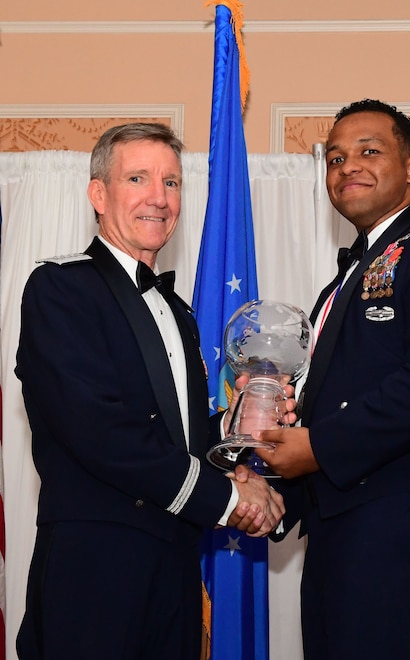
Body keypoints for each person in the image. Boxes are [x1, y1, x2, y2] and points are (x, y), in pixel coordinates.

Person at [15, 122, 285, 660]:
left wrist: (241, 430)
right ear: (99, 194)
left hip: (175, 568)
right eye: (138, 178)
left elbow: (174, 434)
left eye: (172, 182)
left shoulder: (178, 312)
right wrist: (232, 498)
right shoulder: (61, 288)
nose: (159, 199)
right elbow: (101, 431)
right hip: (95, 571)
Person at [255, 99, 410, 659]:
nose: (348, 166)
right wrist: (273, 496)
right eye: (335, 158)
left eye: (369, 151)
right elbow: (326, 405)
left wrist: (316, 447)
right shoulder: (341, 283)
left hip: (408, 521)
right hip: (345, 527)